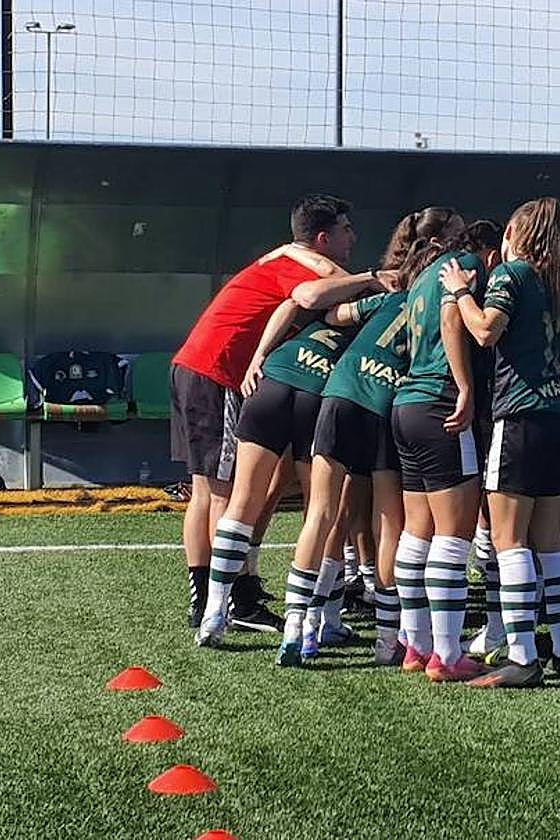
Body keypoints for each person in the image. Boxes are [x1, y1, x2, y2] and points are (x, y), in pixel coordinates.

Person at [170, 194, 385, 629]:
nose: (353, 238)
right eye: (345, 231)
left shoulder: (285, 258)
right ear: (321, 239)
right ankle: (231, 600)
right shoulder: (301, 264)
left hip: (194, 364)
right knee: (222, 493)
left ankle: (212, 596)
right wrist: (370, 279)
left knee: (208, 490)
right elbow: (311, 292)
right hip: (219, 369)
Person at [275, 210, 457, 667]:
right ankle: (387, 637)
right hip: (383, 407)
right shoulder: (433, 305)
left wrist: (372, 287)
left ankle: (299, 626)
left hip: (340, 394)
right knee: (387, 522)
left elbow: (335, 313)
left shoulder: (384, 301)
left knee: (320, 511)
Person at [441, 197, 560, 687]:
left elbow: (484, 331)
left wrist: (460, 291)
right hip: (559, 415)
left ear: (517, 234)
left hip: (520, 414)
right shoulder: (556, 281)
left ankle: (522, 658)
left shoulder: (513, 272)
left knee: (508, 539)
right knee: (549, 537)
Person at [194, 282, 359, 648]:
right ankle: (322, 618)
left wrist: (259, 355)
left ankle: (214, 614)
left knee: (242, 502)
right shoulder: (377, 303)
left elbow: (290, 304)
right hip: (318, 392)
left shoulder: (321, 300)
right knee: (321, 511)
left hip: (275, 376)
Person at [390, 210, 489, 683]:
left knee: (417, 532)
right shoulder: (460, 264)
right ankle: (447, 655)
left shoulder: (418, 277)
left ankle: (415, 642)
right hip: (440, 405)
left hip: (407, 404)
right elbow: (454, 317)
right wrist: (466, 386)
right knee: (454, 535)